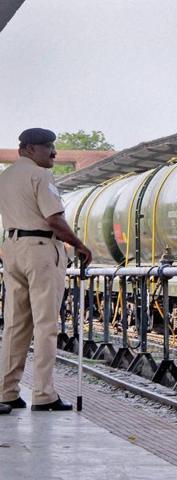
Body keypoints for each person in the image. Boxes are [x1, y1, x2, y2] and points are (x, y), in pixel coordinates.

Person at [0, 128, 92, 414]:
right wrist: (79, 244)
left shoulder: (5, 177)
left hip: (13, 249)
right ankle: (44, 393)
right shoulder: (41, 175)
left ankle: (7, 391)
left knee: (15, 324)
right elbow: (54, 219)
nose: (54, 152)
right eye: (47, 147)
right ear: (28, 149)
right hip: (41, 249)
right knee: (46, 325)